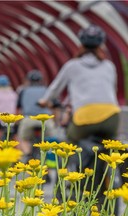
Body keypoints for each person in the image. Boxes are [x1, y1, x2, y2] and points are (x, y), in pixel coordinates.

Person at [38, 25, 121, 207]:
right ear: (101, 45)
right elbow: (110, 91)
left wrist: (45, 101)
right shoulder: (109, 65)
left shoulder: (72, 65)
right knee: (110, 150)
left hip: (84, 118)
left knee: (67, 148)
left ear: (80, 44)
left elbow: (54, 89)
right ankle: (113, 179)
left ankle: (69, 187)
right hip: (112, 116)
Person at [16, 70, 55, 156]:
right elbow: (53, 106)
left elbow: (19, 109)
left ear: (28, 80)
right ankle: (49, 162)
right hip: (46, 120)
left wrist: (17, 122)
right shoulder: (47, 90)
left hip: (28, 119)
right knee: (51, 140)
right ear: (41, 80)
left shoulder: (23, 91)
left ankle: (27, 154)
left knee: (23, 139)